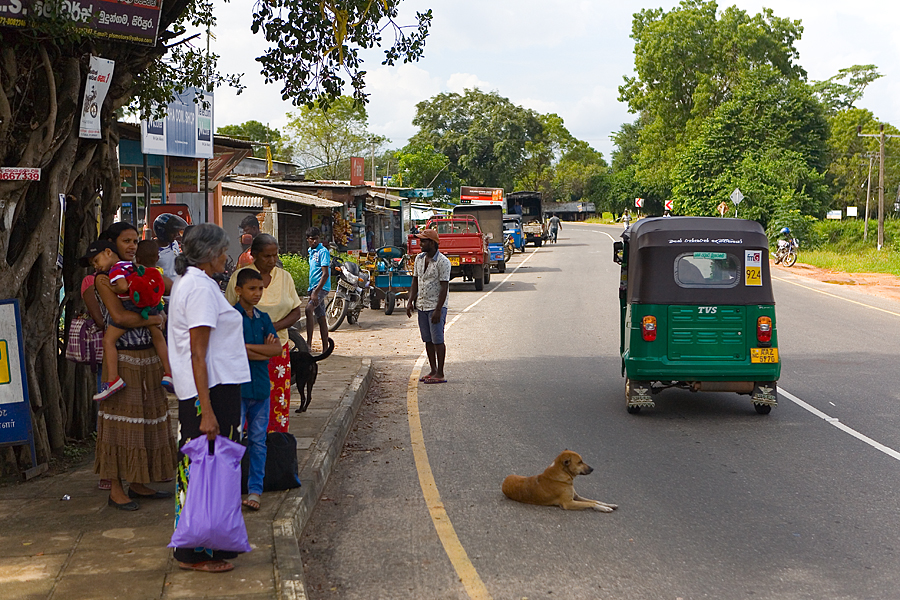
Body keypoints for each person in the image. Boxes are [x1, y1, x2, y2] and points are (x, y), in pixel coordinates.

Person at [168, 223, 251, 573]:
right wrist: (206, 411)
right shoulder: (199, 289)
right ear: (209, 255)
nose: (226, 256)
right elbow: (197, 354)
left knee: (211, 470)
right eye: (223, 250)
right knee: (202, 470)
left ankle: (209, 541)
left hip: (216, 389)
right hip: (210, 392)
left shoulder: (198, 283)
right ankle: (194, 550)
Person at [91, 222, 177, 511]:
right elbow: (119, 318)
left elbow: (166, 288)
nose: (131, 246)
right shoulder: (103, 279)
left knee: (147, 422)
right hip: (124, 359)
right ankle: (115, 488)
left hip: (149, 356)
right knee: (119, 425)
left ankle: (139, 482)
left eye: (134, 241)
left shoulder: (137, 270)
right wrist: (154, 320)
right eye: (125, 241)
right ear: (110, 246)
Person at [225, 234, 303, 433]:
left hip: (278, 351)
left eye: (275, 255)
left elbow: (295, 311)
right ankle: (248, 451)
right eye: (267, 256)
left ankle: (274, 449)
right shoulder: (241, 277)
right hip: (246, 352)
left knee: (278, 404)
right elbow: (228, 312)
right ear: (254, 255)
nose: (272, 260)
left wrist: (273, 327)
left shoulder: (284, 277)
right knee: (247, 403)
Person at [86, 240, 174, 401]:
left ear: (108, 252)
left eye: (96, 261)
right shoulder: (134, 266)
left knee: (108, 341)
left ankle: (113, 379)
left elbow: (122, 288)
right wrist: (157, 315)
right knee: (159, 338)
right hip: (149, 307)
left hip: (132, 307)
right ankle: (169, 373)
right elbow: (166, 284)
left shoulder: (116, 270)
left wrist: (112, 287)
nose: (96, 267)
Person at [232, 268, 282, 511]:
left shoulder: (263, 318)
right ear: (238, 290)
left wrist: (248, 349)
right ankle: (231, 489)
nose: (257, 293)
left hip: (260, 388)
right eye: (252, 288)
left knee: (258, 441)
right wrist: (261, 349)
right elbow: (231, 349)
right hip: (237, 388)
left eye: (260, 288)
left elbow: (277, 350)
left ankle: (255, 490)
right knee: (234, 441)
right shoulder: (231, 317)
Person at [406, 229, 450, 384]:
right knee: (428, 339)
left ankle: (440, 373)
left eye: (423, 241)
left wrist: (438, 310)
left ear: (432, 243)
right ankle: (432, 370)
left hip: (435, 306)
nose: (420, 243)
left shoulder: (443, 262)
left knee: (438, 340)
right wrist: (410, 300)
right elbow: (415, 281)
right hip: (422, 305)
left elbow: (444, 287)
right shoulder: (419, 259)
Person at [304, 227, 331, 354]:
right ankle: (325, 347)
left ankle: (307, 345)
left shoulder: (323, 251)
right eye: (312, 239)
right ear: (307, 240)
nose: (314, 241)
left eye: (316, 238)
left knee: (308, 310)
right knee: (321, 317)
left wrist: (315, 292)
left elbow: (325, 274)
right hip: (313, 288)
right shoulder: (311, 251)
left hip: (321, 288)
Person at [153, 213, 187, 280]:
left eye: (176, 232)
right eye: (172, 232)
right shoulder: (154, 250)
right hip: (165, 286)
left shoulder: (174, 244)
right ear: (162, 232)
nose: (176, 235)